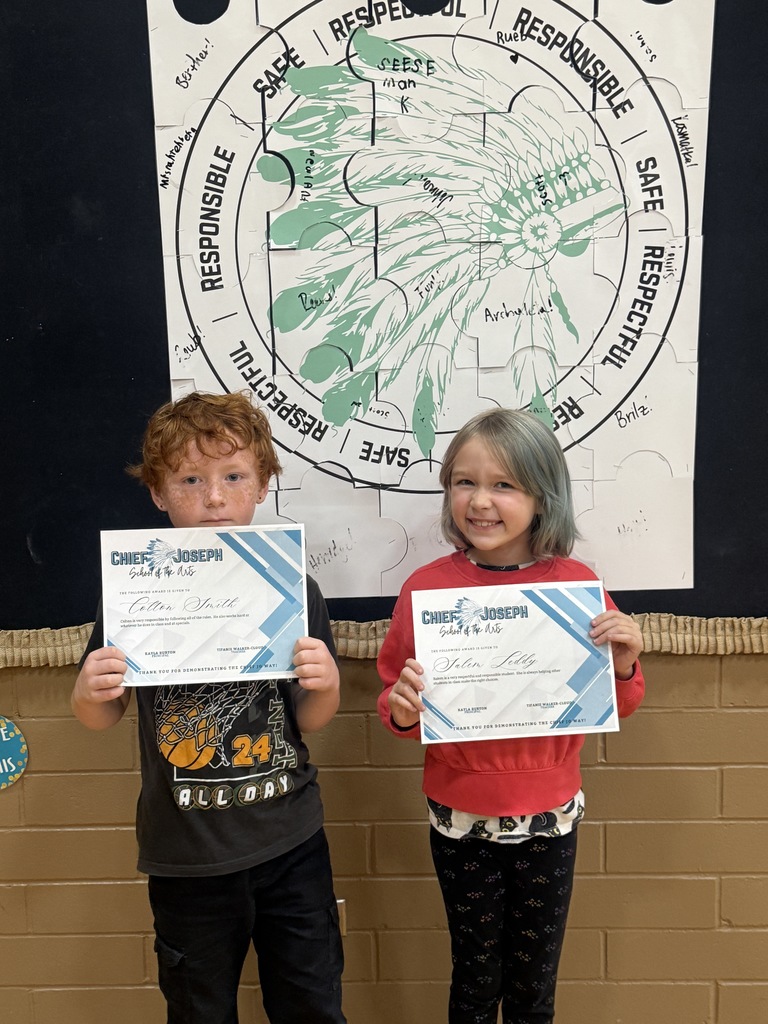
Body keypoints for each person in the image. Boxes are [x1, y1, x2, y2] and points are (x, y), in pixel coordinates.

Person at [72, 391, 346, 1024]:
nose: (214, 498)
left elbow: (308, 717)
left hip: (291, 844)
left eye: (233, 477)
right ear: (158, 494)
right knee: (199, 1011)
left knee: (312, 1004)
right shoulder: (133, 590)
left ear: (262, 486)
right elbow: (101, 716)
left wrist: (326, 684)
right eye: (191, 480)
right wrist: (89, 692)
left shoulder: (294, 588)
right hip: (186, 856)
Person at [377, 408, 644, 1024]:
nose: (480, 501)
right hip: (459, 816)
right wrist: (400, 708)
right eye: (464, 481)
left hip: (550, 816)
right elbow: (397, 699)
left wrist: (625, 664)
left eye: (504, 485)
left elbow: (619, 703)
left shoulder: (577, 584)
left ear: (543, 497)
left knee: (532, 988)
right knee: (473, 981)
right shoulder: (425, 588)